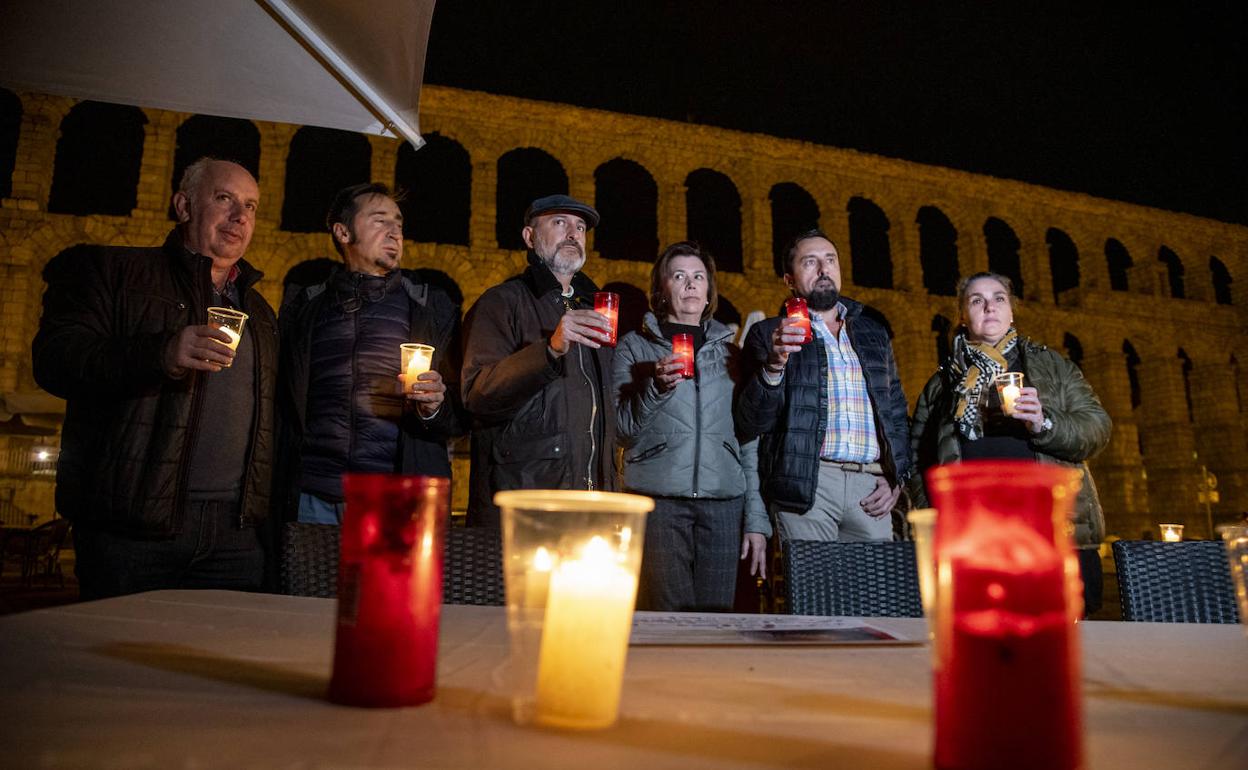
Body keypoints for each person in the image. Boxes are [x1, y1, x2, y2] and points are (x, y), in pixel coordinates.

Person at [32, 158, 277, 599]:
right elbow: (56, 360)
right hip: (133, 528)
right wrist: (161, 352)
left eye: (251, 206)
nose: (241, 216)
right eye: (224, 199)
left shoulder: (259, 313)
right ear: (183, 206)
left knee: (219, 663)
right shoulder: (112, 271)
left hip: (235, 533)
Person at [909, 271, 1112, 613]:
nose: (989, 306)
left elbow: (1097, 429)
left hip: (1053, 531)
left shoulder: (1053, 366)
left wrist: (1044, 422)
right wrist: (936, 518)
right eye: (977, 300)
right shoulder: (942, 384)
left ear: (1012, 311)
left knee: (1061, 643)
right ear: (962, 315)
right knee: (984, 637)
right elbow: (917, 458)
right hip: (973, 536)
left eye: (998, 298)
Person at [273, 183, 467, 525]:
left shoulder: (432, 307)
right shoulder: (304, 307)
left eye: (399, 223)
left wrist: (434, 406)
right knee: (307, 580)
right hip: (311, 497)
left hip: (397, 499)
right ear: (343, 231)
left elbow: (461, 411)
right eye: (380, 221)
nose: (395, 231)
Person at [613, 242, 768, 610]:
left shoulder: (732, 353)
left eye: (698, 276)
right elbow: (622, 430)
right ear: (662, 290)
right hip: (658, 503)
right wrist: (656, 387)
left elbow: (747, 439)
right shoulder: (634, 348)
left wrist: (757, 518)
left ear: (709, 290)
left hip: (723, 504)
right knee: (667, 620)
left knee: (718, 619)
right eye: (678, 276)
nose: (690, 285)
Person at [736, 228, 912, 543]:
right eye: (810, 262)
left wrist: (896, 477)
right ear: (789, 279)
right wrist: (774, 365)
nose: (823, 269)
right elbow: (751, 421)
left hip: (871, 487)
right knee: (816, 592)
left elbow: (896, 411)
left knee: (877, 592)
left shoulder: (874, 333)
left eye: (830, 260)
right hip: (808, 485)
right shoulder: (768, 334)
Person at [461, 194, 616, 527]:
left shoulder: (596, 312)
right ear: (529, 237)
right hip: (528, 501)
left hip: (593, 503)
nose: (573, 234)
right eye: (559, 223)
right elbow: (477, 395)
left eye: (580, 227)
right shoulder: (501, 302)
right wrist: (549, 350)